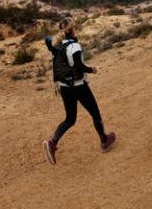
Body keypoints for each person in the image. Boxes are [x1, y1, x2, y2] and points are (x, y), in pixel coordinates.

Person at [42, 18, 116, 165]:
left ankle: (52, 142)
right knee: (95, 113)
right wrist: (92, 69)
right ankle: (104, 140)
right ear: (73, 29)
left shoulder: (57, 45)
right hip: (79, 86)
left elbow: (47, 39)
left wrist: (54, 39)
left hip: (64, 87)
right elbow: (79, 66)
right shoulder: (74, 46)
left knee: (70, 119)